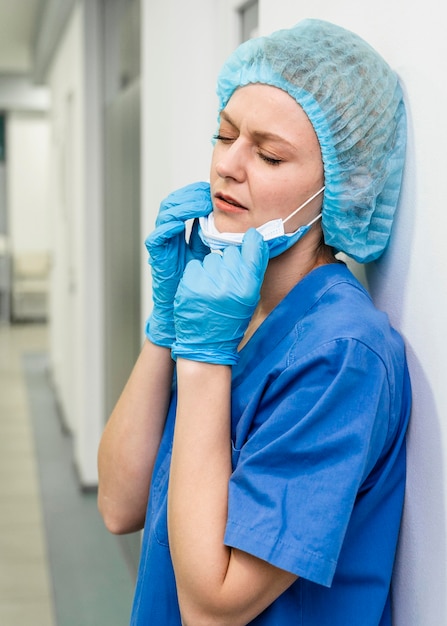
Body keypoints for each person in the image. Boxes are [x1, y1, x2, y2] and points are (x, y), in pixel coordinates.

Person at [97, 18, 411, 626]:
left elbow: (213, 609)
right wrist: (167, 327)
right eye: (224, 135)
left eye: (268, 154)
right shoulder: (229, 311)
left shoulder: (342, 354)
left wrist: (206, 359)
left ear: (345, 186)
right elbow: (118, 503)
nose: (229, 165)